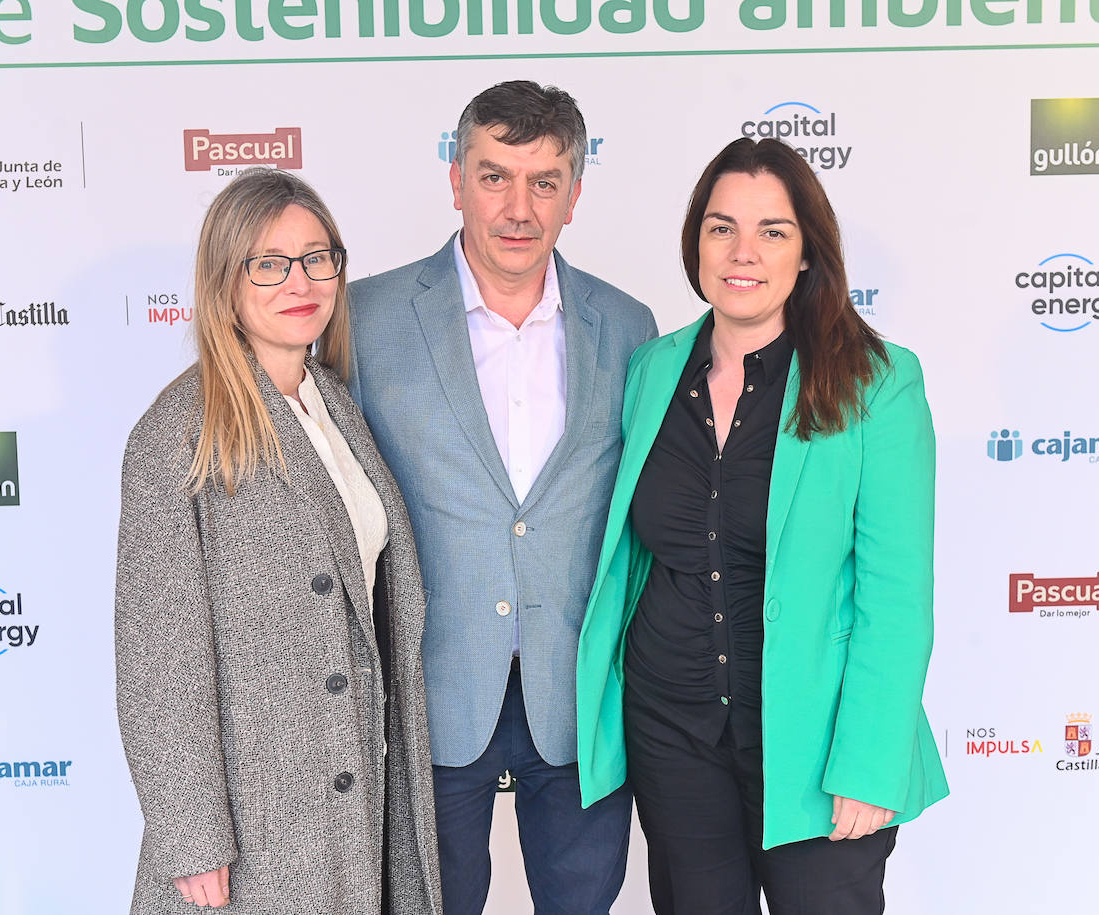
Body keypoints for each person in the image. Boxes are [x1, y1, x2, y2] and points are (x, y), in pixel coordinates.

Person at [575, 137, 950, 915]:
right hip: (672, 736)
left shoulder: (877, 381)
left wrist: (870, 762)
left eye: (772, 231)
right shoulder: (652, 370)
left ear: (807, 251)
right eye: (722, 228)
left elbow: (896, 595)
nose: (742, 252)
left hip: (818, 744)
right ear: (697, 241)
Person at [348, 80, 657, 915]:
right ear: (457, 180)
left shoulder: (629, 326)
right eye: (495, 177)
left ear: (574, 194)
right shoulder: (364, 320)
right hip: (429, 692)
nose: (519, 208)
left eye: (544, 181)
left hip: (578, 696)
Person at [114, 168, 442, 914]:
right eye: (269, 263)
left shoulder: (334, 405)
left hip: (352, 790)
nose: (301, 282)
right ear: (225, 280)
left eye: (317, 258)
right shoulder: (179, 433)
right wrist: (191, 836)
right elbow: (158, 660)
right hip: (255, 817)